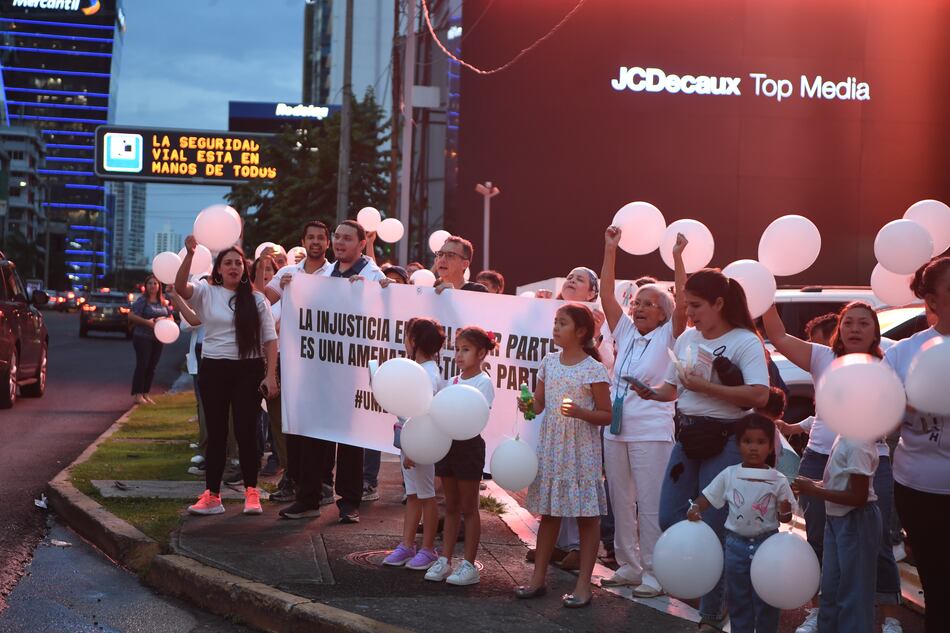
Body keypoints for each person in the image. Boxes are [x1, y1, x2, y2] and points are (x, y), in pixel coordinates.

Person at [632, 268, 770, 631]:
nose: (689, 314)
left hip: (725, 441)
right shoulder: (687, 339)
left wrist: (709, 389)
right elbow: (673, 389)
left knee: (714, 524)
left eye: (695, 306)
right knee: (668, 515)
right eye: (686, 306)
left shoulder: (744, 341)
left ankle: (712, 611)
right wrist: (650, 392)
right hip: (688, 437)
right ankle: (699, 579)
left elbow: (759, 394)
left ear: (719, 303)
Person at [763, 300, 903, 633]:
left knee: (877, 540)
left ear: (875, 331)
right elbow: (779, 335)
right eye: (849, 322)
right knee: (820, 540)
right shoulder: (822, 357)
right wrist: (765, 294)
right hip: (820, 456)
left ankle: (889, 617)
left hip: (869, 459)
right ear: (839, 328)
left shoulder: (886, 364)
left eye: (864, 323)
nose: (855, 329)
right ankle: (818, 612)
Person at [597, 227, 687, 594]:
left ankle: (655, 571)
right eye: (637, 302)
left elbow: (683, 300)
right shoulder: (627, 332)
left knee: (650, 505)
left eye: (649, 303)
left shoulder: (670, 335)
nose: (639, 307)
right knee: (620, 501)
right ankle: (629, 565)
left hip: (651, 431)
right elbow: (605, 294)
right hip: (616, 430)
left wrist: (679, 258)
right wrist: (610, 249)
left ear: (664, 313)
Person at [516, 303, 612, 608]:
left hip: (581, 450)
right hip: (553, 448)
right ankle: (537, 579)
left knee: (587, 517)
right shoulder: (548, 362)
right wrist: (527, 405)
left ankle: (584, 585)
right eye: (555, 322)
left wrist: (583, 412)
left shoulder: (593, 369)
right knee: (550, 515)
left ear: (581, 332)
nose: (556, 327)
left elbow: (607, 415)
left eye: (563, 323)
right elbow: (539, 406)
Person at [175, 236, 278, 517]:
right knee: (217, 433)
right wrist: (189, 253)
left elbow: (270, 339)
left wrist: (270, 377)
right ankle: (212, 495)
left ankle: (251, 493)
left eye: (238, 263)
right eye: (227, 263)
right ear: (218, 269)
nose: (233, 267)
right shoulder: (206, 292)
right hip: (214, 369)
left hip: (248, 369)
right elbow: (179, 287)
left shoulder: (256, 299)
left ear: (245, 269)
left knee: (246, 431)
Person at [885, 255, 950, 633]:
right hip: (920, 489)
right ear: (932, 301)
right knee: (939, 588)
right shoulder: (903, 352)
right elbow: (882, 425)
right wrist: (904, 401)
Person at [688, 414, 795, 633]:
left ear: (770, 447)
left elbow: (786, 519)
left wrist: (785, 510)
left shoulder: (778, 480)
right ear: (738, 445)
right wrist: (695, 508)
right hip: (735, 545)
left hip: (768, 546)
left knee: (767, 598)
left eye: (760, 442)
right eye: (747, 441)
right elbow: (707, 497)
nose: (753, 447)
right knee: (738, 599)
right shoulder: (729, 474)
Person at [426, 326, 497, 586]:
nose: (459, 355)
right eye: (457, 349)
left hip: (468, 448)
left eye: (465, 350)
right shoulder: (453, 381)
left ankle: (469, 564)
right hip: (448, 445)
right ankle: (445, 559)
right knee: (451, 506)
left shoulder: (483, 382)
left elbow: (476, 416)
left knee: (469, 507)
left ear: (481, 353)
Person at [793, 436, 880, 633]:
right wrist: (813, 484)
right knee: (830, 588)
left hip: (855, 521)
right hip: (837, 519)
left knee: (853, 594)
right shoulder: (843, 436)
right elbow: (839, 482)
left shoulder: (858, 443)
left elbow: (858, 497)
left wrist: (814, 491)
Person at [383, 318, 444, 570]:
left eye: (407, 336)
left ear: (415, 341)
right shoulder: (417, 369)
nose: (405, 341)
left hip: (422, 443)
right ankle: (407, 544)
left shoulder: (428, 373)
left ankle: (428, 548)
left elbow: (422, 414)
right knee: (413, 495)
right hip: (410, 443)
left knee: (427, 495)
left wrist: (413, 448)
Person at [127, 274, 174, 406]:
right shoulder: (142, 301)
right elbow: (131, 316)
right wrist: (148, 323)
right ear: (145, 286)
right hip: (142, 337)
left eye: (155, 283)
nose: (152, 286)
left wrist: (164, 320)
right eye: (150, 283)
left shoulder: (163, 302)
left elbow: (170, 316)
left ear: (159, 286)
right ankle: (137, 395)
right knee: (143, 365)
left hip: (158, 338)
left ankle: (145, 394)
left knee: (152, 367)